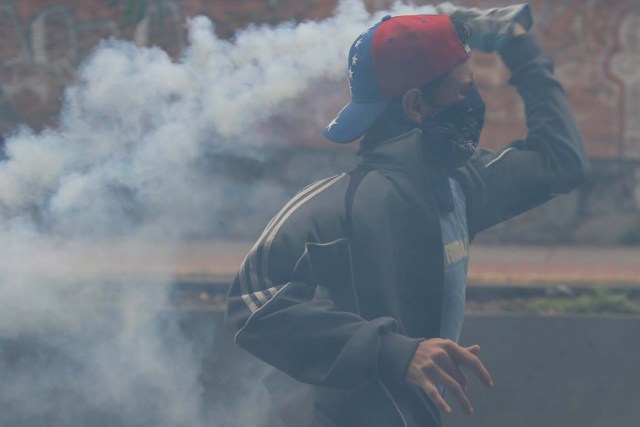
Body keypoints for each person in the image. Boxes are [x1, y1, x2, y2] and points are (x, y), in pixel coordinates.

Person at [226, 6, 590, 427]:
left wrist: (518, 43)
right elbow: (250, 305)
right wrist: (394, 351)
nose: (473, 104)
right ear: (416, 105)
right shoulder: (341, 203)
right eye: (463, 91)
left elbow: (562, 163)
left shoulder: (461, 185)